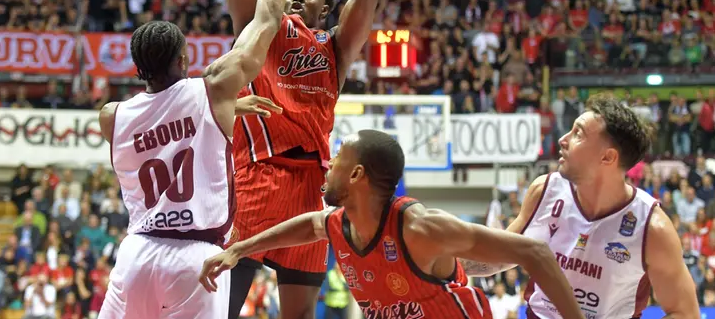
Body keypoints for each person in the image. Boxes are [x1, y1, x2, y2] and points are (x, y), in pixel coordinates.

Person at [95, 0, 322, 319]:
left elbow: (164, 120)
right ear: (183, 61)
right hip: (195, 256)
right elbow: (268, 18)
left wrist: (228, 109)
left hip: (136, 254)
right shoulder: (213, 87)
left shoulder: (112, 116)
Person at [200, 130, 586, 319]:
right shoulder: (340, 224)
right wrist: (239, 249)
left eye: (337, 159)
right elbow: (307, 226)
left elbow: (533, 251)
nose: (328, 164)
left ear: (357, 176)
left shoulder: (420, 227)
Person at [225, 0, 381, 319]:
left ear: (325, 10)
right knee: (224, 307)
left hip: (312, 182)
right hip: (257, 174)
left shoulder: (334, 47)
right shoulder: (261, 28)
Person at [462, 94, 700, 319]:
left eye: (578, 134)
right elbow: (501, 256)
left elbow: (685, 312)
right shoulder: (544, 190)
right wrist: (436, 262)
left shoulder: (652, 228)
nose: (563, 139)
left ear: (607, 157)